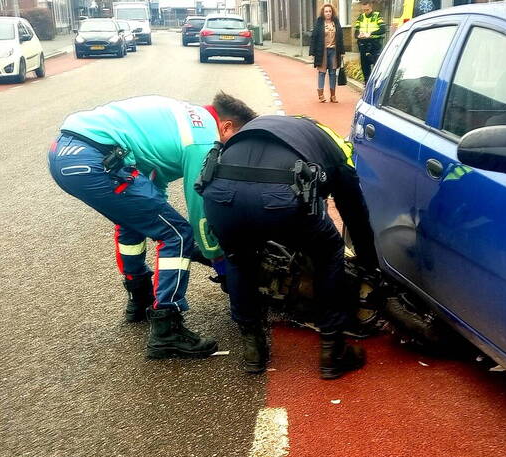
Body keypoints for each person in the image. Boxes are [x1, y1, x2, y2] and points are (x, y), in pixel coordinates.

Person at [48, 92, 257, 359]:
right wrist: (218, 259)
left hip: (64, 152)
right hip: (94, 160)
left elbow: (152, 182)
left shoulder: (187, 118)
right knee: (177, 234)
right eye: (236, 141)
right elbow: (200, 207)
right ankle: (167, 328)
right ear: (226, 127)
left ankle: (139, 299)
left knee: (134, 221)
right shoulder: (204, 140)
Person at [197, 114, 380, 379]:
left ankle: (253, 350)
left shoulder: (257, 126)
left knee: (239, 260)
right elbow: (354, 212)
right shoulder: (336, 145)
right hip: (280, 199)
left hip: (220, 198)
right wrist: (368, 261)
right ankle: (333, 351)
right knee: (329, 253)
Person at [309, 4, 344, 103]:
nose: (328, 13)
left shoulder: (336, 22)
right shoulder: (319, 23)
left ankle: (333, 95)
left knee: (332, 73)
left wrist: (342, 51)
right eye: (326, 11)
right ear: (323, 13)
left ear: (332, 12)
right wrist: (312, 52)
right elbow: (314, 38)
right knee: (322, 72)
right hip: (322, 51)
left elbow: (340, 38)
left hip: (334, 51)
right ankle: (321, 95)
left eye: (330, 11)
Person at [353, 0, 386, 83]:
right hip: (363, 44)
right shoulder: (361, 17)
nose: (366, 12)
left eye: (367, 10)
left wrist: (371, 33)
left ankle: (377, 83)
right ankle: (367, 83)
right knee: (365, 66)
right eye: (364, 10)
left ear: (371, 7)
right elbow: (356, 32)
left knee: (377, 65)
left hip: (375, 44)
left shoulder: (377, 15)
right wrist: (358, 35)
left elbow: (383, 29)